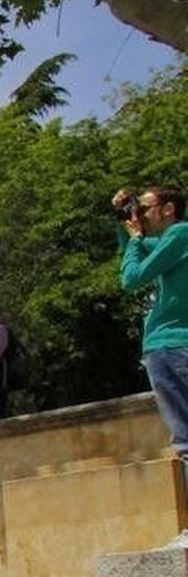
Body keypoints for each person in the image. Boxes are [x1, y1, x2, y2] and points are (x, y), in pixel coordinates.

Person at [114, 184, 188, 540]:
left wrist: (132, 241)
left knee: (185, 437)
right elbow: (143, 252)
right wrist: (127, 229)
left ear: (169, 208)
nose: (140, 215)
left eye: (144, 209)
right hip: (172, 346)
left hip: (172, 344)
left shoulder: (181, 233)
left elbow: (132, 277)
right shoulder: (175, 242)